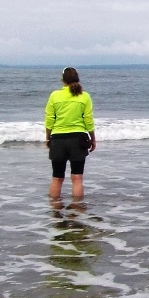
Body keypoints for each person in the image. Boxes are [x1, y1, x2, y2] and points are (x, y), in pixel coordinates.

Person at [44, 67, 96, 200]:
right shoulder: (84, 96)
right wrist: (93, 138)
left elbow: (50, 119)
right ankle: (77, 210)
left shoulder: (55, 95)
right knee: (77, 177)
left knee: (57, 177)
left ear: (62, 80)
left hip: (58, 139)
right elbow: (88, 120)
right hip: (78, 139)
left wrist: (48, 138)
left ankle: (55, 210)